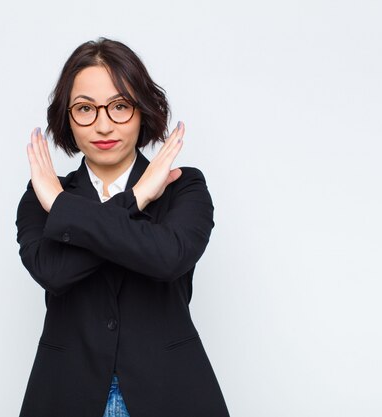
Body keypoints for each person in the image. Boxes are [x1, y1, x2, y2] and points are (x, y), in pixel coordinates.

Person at [16, 37, 230, 417]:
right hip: (66, 393)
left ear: (142, 110)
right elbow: (54, 271)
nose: (102, 124)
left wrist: (69, 211)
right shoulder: (43, 195)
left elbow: (167, 258)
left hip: (171, 392)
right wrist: (136, 198)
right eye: (85, 108)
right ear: (66, 117)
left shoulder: (185, 186)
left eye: (119, 106)